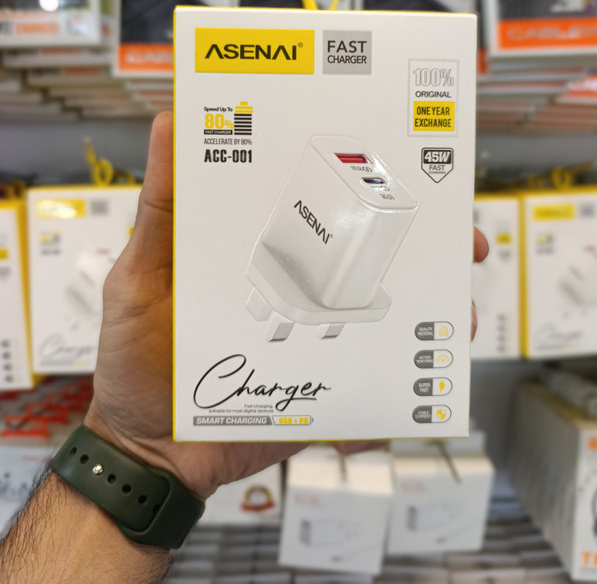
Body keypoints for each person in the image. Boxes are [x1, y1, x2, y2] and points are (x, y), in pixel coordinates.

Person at [0, 112, 488, 583]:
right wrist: (135, 450)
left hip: (319, 292)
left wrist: (134, 453)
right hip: (282, 271)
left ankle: (334, 297)